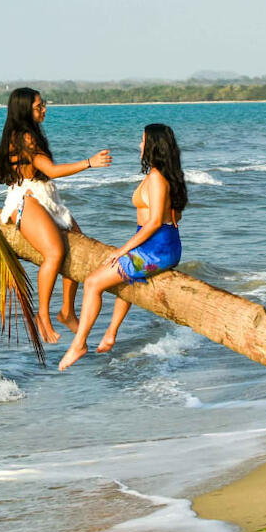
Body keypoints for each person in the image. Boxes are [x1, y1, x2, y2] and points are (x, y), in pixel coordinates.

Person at [0, 88, 110, 343]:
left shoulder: (20, 134)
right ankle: (43, 315)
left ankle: (67, 311)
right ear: (26, 110)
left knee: (77, 247)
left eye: (43, 104)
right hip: (26, 199)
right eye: (39, 106)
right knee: (55, 252)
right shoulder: (25, 137)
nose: (44, 109)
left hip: (46, 196)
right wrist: (89, 163)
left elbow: (0, 153)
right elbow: (51, 169)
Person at [58, 123, 188, 370]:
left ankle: (79, 343)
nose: (139, 145)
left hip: (157, 249)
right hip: (160, 244)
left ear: (153, 145)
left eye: (142, 140)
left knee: (94, 282)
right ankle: (110, 334)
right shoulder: (162, 175)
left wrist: (122, 250)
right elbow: (174, 218)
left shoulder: (158, 179)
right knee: (123, 276)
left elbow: (153, 224)